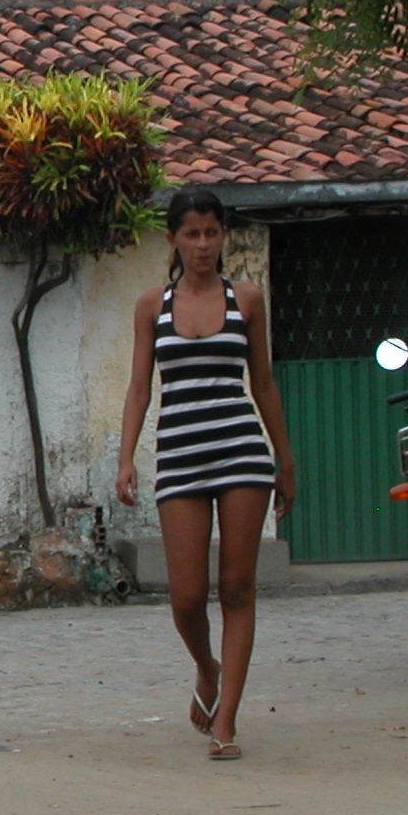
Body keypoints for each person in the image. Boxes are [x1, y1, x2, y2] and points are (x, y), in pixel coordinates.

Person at [114, 186, 294, 761]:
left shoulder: (247, 298)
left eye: (212, 232)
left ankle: (227, 721)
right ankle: (206, 666)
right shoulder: (152, 305)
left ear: (223, 236)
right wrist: (126, 456)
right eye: (191, 234)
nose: (202, 244)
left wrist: (285, 459)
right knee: (186, 597)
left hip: (242, 452)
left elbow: (263, 382)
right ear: (173, 239)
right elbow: (139, 386)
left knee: (237, 588)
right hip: (179, 455)